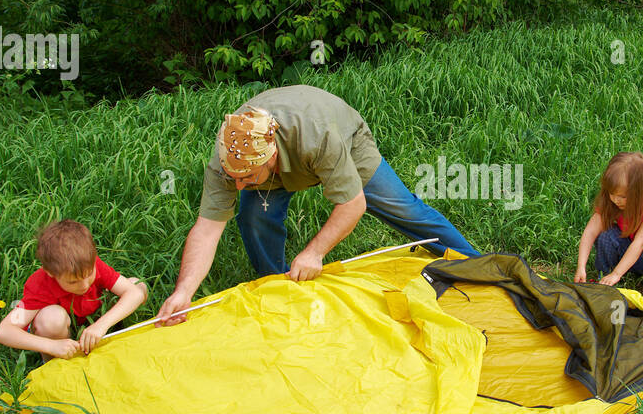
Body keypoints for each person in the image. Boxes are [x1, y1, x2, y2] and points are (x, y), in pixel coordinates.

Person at [156, 85, 480, 325]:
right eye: (234, 178)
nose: (238, 186)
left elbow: (353, 204)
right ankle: (278, 286)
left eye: (246, 178)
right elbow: (207, 229)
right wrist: (184, 291)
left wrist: (314, 252)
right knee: (253, 217)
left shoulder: (317, 136)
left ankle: (477, 264)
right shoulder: (232, 157)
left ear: (271, 158)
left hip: (346, 142)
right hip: (279, 164)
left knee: (407, 209)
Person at [0, 219, 149, 360]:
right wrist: (51, 346)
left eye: (89, 275)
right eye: (73, 282)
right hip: (61, 333)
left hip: (95, 317)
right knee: (51, 319)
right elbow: (4, 331)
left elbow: (134, 293)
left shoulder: (89, 264)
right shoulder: (40, 285)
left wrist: (102, 325)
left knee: (137, 284)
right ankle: (54, 363)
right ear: (51, 273)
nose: (84, 285)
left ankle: (122, 331)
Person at [574, 151, 643, 301]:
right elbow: (590, 231)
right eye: (611, 193)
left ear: (642, 189)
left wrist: (617, 274)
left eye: (623, 196)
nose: (616, 200)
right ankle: (604, 279)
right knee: (605, 234)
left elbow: (640, 243)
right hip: (629, 255)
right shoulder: (612, 201)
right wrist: (581, 266)